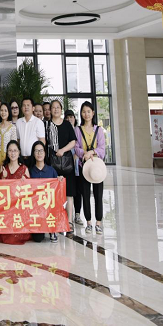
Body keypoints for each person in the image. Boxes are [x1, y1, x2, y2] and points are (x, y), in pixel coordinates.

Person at [74, 101, 106, 235]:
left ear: (93, 113)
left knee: (98, 195)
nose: (86, 114)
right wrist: (84, 154)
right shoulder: (78, 130)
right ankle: (88, 222)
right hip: (84, 167)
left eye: (88, 111)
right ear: (81, 114)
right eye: (83, 112)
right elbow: (76, 147)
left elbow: (102, 148)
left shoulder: (99, 130)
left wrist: (91, 152)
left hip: (97, 168)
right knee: (85, 195)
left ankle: (98, 222)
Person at [46, 99, 77, 234]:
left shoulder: (67, 124)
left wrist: (63, 150)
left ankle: (69, 222)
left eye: (58, 107)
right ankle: (56, 220)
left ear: (61, 109)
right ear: (50, 110)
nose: (56, 109)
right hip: (52, 164)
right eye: (53, 107)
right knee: (54, 194)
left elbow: (73, 142)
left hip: (67, 163)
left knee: (69, 193)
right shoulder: (47, 125)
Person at [0, 140, 32, 245]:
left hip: (19, 207)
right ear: (7, 153)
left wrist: (25, 182)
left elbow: (29, 191)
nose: (13, 153)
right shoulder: (4, 168)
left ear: (19, 152)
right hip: (7, 206)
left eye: (15, 151)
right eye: (10, 151)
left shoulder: (24, 169)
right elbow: (0, 191)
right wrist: (3, 177)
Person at [29, 141, 59, 243]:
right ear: (33, 153)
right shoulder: (30, 171)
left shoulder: (51, 170)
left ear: (45, 153)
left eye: (41, 151)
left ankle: (52, 230)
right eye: (36, 151)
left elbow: (57, 190)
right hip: (35, 210)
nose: (39, 153)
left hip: (49, 207)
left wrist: (59, 180)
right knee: (37, 239)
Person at [65, 108, 84, 226]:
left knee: (78, 190)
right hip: (68, 164)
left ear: (74, 118)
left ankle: (77, 214)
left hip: (78, 163)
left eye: (71, 117)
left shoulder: (78, 130)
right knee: (70, 191)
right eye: (67, 118)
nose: (69, 119)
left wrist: (78, 153)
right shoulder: (65, 129)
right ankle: (68, 215)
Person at [16, 98, 45, 167]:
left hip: (34, 158)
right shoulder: (18, 122)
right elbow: (18, 140)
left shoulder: (38, 122)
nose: (26, 107)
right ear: (21, 108)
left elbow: (42, 141)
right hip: (21, 158)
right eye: (24, 105)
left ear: (33, 108)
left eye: (28, 105)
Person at [0, 102, 17, 174]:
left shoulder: (12, 127)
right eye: (1, 110)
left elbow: (14, 145)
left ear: (9, 112)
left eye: (5, 110)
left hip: (9, 157)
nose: (3, 113)